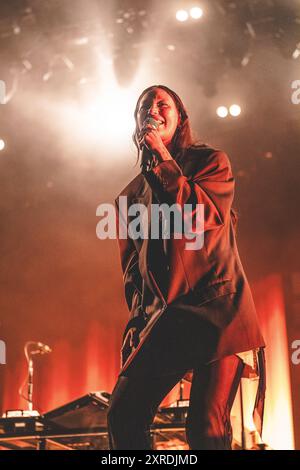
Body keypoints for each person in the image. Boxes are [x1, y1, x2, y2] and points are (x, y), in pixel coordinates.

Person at [107, 84, 266, 450]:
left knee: (206, 428)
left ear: (180, 120)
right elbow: (135, 273)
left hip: (217, 310)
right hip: (168, 318)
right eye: (145, 105)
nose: (153, 109)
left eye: (164, 104)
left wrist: (163, 157)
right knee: (123, 413)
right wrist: (135, 323)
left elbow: (201, 215)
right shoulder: (129, 197)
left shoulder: (211, 162)